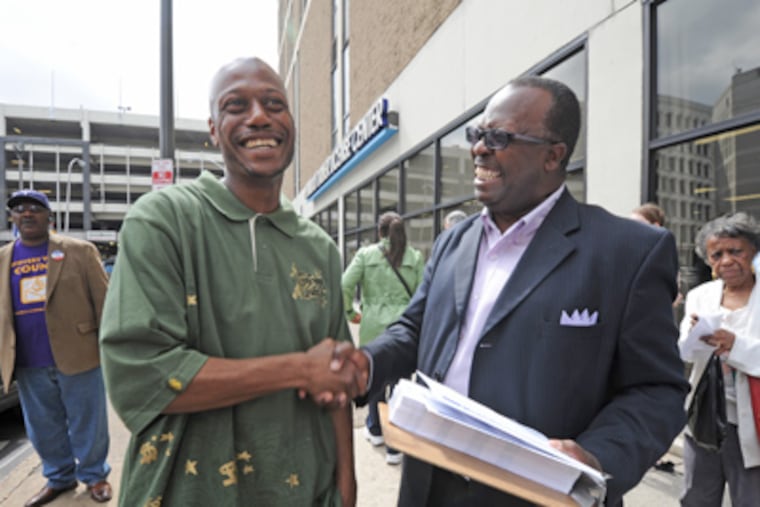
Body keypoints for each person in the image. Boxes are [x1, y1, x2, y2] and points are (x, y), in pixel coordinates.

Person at [334, 76, 689, 506]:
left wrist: (595, 457)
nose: (479, 148)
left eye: (499, 137)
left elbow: (657, 390)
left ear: (553, 156)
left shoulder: (629, 252)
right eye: (478, 135)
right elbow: (415, 328)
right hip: (428, 485)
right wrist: (367, 363)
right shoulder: (453, 241)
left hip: (538, 496)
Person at [99, 57, 360, 506]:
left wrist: (347, 484)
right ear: (214, 130)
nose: (259, 116)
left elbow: (332, 381)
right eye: (236, 105)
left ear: (291, 123)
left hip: (303, 490)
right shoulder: (165, 221)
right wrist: (298, 368)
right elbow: (142, 379)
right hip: (189, 491)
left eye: (274, 103)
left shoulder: (319, 248)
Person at [0, 189, 112, 506]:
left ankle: (95, 476)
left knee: (88, 421)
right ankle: (59, 479)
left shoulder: (79, 251)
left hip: (79, 353)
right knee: (42, 427)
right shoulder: (3, 258)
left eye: (34, 208)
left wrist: (111, 348)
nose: (26, 213)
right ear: (12, 217)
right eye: (19, 209)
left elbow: (105, 303)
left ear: (49, 216)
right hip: (28, 359)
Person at [677, 212, 760, 506]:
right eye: (716, 254)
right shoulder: (700, 295)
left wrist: (735, 346)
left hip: (753, 422)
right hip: (704, 415)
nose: (726, 260)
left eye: (735, 251)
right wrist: (695, 336)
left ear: (753, 251)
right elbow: (684, 354)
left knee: (751, 498)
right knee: (697, 496)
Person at [341, 211, 424, 465]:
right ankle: (395, 447)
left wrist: (350, 313)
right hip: (404, 328)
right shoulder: (415, 256)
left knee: (375, 378)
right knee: (400, 385)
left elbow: (344, 284)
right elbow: (423, 293)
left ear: (379, 232)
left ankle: (375, 430)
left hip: (373, 326)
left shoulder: (366, 255)